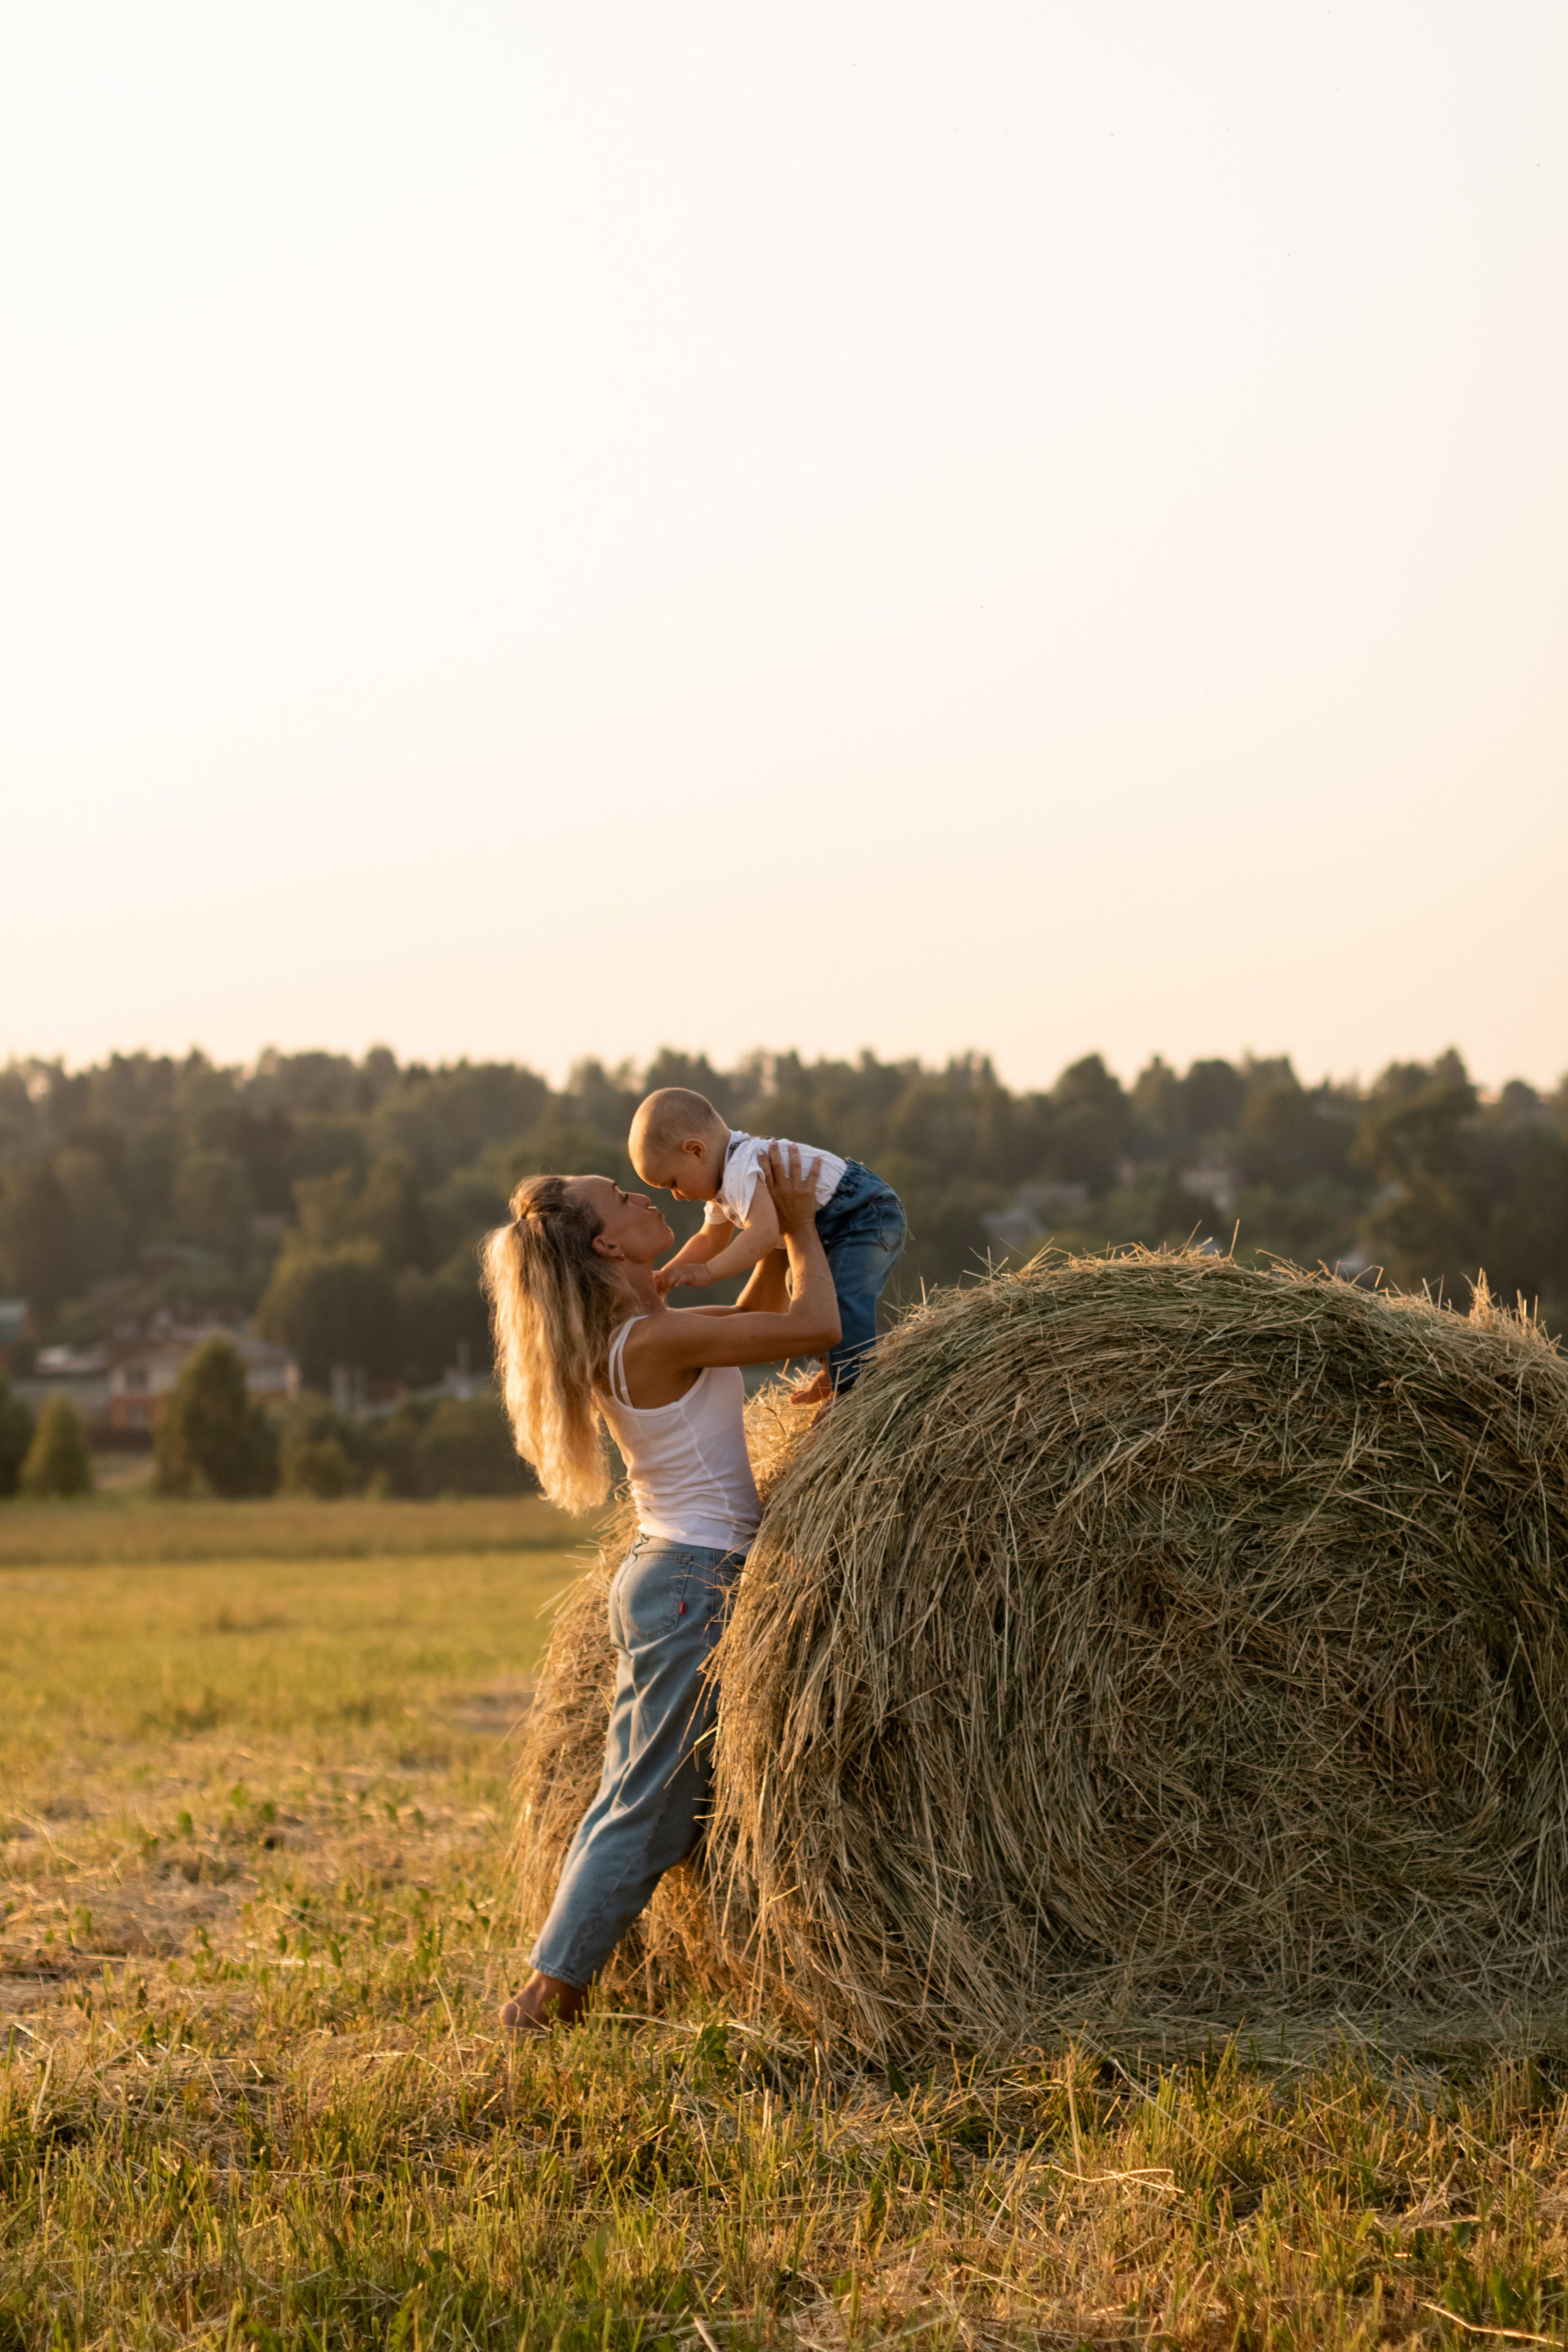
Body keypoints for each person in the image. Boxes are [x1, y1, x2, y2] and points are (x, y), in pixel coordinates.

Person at [482, 1142, 839, 2034]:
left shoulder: (654, 1328)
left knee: (654, 1802)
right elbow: (816, 1327)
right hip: (692, 1582)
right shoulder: (650, 1340)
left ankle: (557, 1983)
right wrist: (796, 1227)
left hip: (680, 1575)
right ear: (609, 1247)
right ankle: (543, 1997)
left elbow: (751, 1321)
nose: (646, 1199)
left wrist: (744, 1238)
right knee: (645, 1804)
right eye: (622, 1200)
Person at [628, 1086, 907, 1401]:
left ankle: (855, 1390)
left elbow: (761, 1234)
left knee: (841, 1296)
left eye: (673, 1183)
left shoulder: (741, 1169)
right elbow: (709, 1238)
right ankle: (835, 1371)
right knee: (802, 1287)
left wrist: (707, 1273)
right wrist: (667, 1275)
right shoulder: (724, 1182)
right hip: (837, 1221)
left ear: (696, 1150)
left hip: (863, 1213)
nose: (677, 1195)